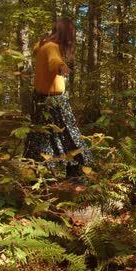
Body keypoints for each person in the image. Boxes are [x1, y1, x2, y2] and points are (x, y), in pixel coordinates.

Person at [23, 18, 93, 178]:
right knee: (70, 136)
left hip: (40, 100)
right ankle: (76, 176)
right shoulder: (52, 47)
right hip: (55, 102)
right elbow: (54, 61)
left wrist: (45, 37)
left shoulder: (43, 46)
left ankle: (36, 175)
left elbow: (37, 50)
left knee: (42, 137)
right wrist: (61, 66)